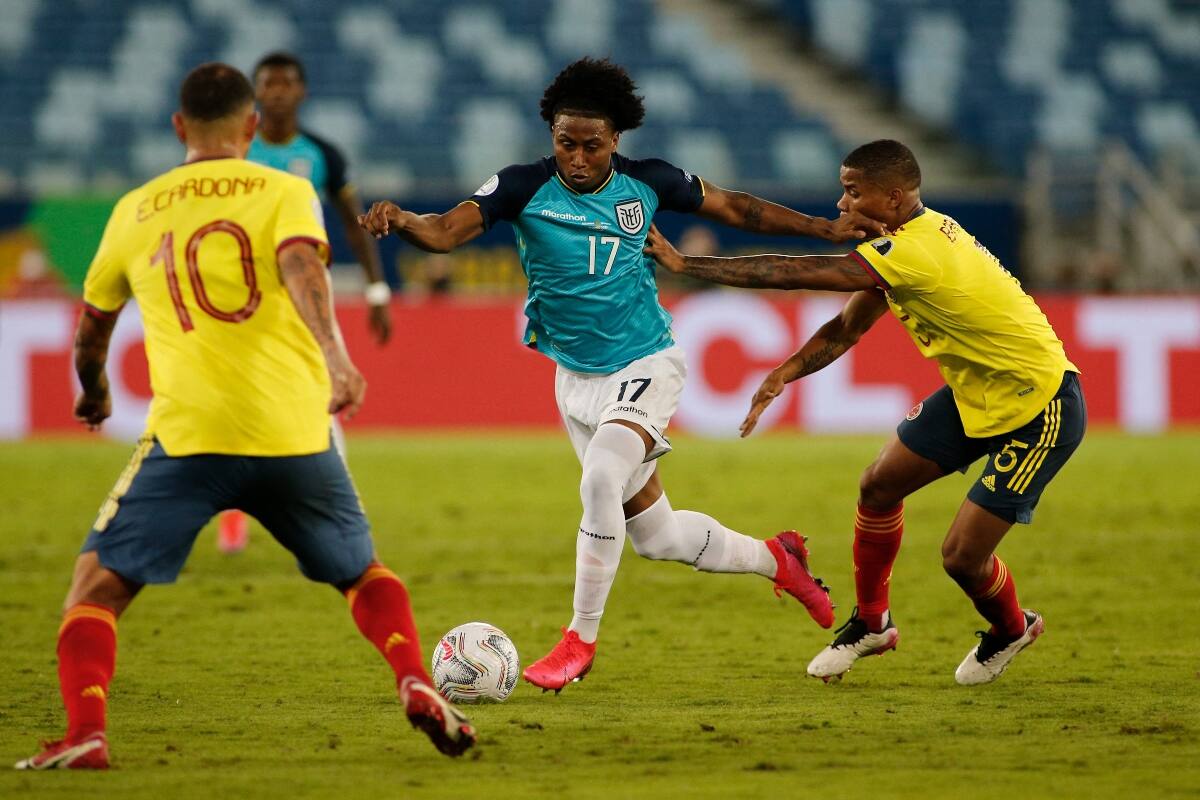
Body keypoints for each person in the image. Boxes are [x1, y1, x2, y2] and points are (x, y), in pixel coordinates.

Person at [359, 57, 885, 692]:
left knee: (602, 477)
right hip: (575, 381)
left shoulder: (648, 182)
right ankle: (778, 559)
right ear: (552, 137)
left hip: (645, 362)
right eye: (566, 144)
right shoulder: (522, 187)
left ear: (615, 139)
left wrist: (825, 228)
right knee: (657, 537)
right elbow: (446, 231)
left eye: (592, 145)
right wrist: (405, 220)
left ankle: (579, 640)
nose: (578, 159)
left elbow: (737, 208)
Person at [15, 63, 474, 771]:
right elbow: (303, 268)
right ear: (252, 126)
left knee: (94, 589)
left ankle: (86, 735)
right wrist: (337, 359)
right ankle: (414, 678)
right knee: (363, 573)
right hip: (294, 431)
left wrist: (94, 392)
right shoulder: (286, 190)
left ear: (179, 126)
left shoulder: (136, 208)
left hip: (189, 438)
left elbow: (91, 329)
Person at [643, 139, 1086, 686]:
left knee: (961, 558)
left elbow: (794, 273)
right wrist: (785, 372)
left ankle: (1012, 628)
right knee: (878, 486)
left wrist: (687, 264)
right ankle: (873, 622)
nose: (841, 204)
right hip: (976, 394)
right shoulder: (905, 242)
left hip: (1039, 408)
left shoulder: (916, 251)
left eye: (853, 192)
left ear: (893, 197)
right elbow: (848, 328)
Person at [216, 51, 394, 554]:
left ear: (301, 92)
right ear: (255, 92)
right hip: (242, 290)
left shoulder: (322, 155)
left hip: (304, 289)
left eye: (286, 83)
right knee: (236, 395)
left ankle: (340, 510)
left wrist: (377, 290)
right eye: (268, 83)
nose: (276, 92)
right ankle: (233, 510)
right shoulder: (235, 152)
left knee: (325, 385)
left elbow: (354, 227)